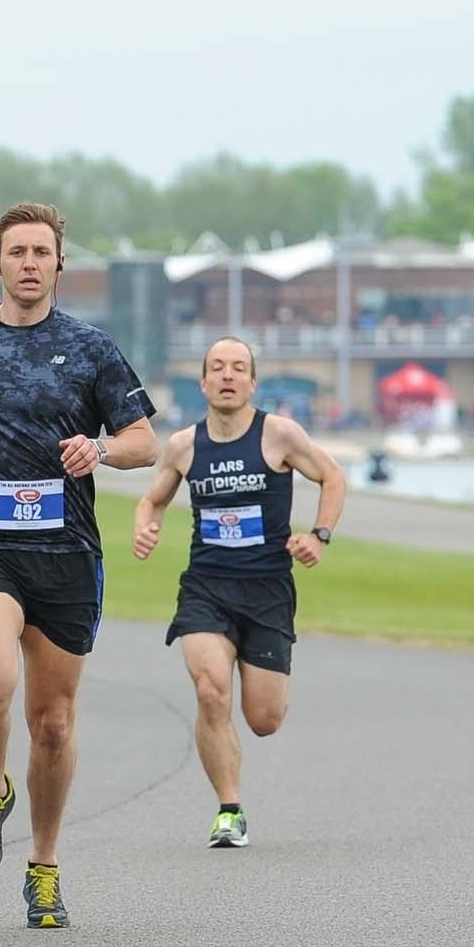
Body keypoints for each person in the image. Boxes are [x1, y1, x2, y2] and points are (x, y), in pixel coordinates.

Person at [0, 202, 157, 930]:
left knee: (51, 723)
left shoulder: (90, 348)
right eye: (15, 252)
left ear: (58, 265)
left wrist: (100, 449)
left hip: (66, 552)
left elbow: (146, 440)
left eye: (40, 252)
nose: (27, 263)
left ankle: (43, 867)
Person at [132, 336, 346, 848]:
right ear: (203, 381)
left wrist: (318, 535)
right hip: (206, 586)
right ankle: (229, 810)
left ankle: (237, 783)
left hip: (268, 588)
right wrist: (146, 526)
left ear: (253, 382)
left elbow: (333, 477)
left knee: (264, 719)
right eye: (218, 368)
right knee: (211, 692)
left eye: (239, 368)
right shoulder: (184, 445)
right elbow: (153, 497)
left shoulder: (279, 435)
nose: (228, 376)